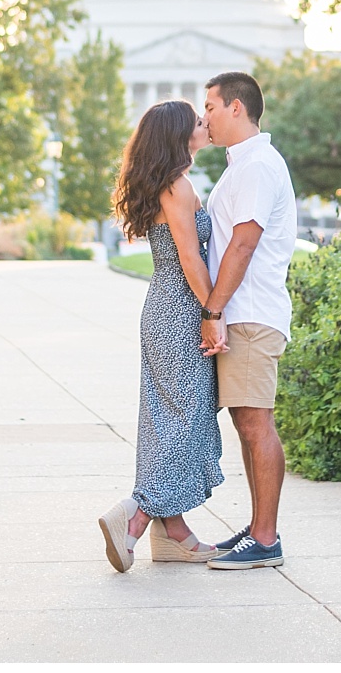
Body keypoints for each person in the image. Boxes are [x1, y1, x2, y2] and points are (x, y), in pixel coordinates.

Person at [97, 99, 224, 573]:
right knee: (186, 418)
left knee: (167, 418)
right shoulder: (178, 185)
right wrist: (213, 311)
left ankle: (175, 534)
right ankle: (136, 516)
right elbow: (191, 258)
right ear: (178, 134)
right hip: (182, 309)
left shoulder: (166, 183)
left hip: (163, 305)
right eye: (197, 121)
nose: (204, 124)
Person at [197, 70, 296, 570]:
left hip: (251, 313)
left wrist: (213, 310)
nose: (205, 117)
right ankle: (258, 529)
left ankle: (266, 538)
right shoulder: (243, 166)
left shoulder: (257, 166)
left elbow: (244, 241)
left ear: (236, 108)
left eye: (210, 107)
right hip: (243, 312)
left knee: (256, 423)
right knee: (246, 421)